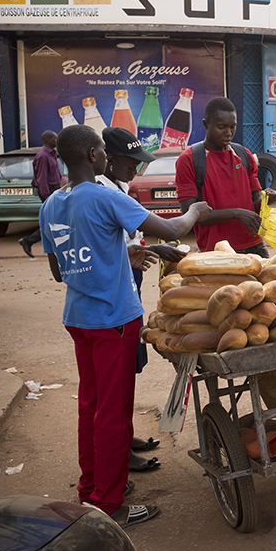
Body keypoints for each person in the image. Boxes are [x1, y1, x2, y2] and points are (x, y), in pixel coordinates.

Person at [40, 124, 211, 528]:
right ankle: (111, 503)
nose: (103, 156)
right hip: (114, 319)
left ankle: (90, 490)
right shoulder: (103, 195)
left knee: (92, 407)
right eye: (100, 150)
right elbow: (172, 230)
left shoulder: (51, 204)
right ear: (93, 156)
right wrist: (195, 211)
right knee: (113, 414)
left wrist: (123, 253)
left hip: (79, 318)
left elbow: (58, 271)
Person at [97, 127, 184, 474]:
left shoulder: (118, 186)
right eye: (131, 163)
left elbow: (123, 240)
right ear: (108, 159)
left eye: (140, 164)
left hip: (129, 282)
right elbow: (106, 248)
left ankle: (125, 436)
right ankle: (119, 454)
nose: (137, 170)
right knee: (116, 380)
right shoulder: (104, 192)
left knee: (128, 371)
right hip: (114, 297)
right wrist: (191, 217)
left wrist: (147, 248)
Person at [175, 97, 275, 256]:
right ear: (206, 124)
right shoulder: (189, 160)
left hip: (254, 245)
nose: (228, 133)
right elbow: (189, 213)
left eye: (232, 127)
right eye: (221, 127)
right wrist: (236, 213)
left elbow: (255, 202)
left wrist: (267, 198)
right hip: (215, 250)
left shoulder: (244, 155)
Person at [19, 130, 63, 258]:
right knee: (53, 220)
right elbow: (42, 178)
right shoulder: (43, 156)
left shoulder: (53, 154)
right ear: (48, 140)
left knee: (54, 219)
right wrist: (47, 196)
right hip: (48, 191)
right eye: (55, 138)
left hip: (54, 190)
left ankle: (31, 241)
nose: (57, 140)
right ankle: (29, 240)